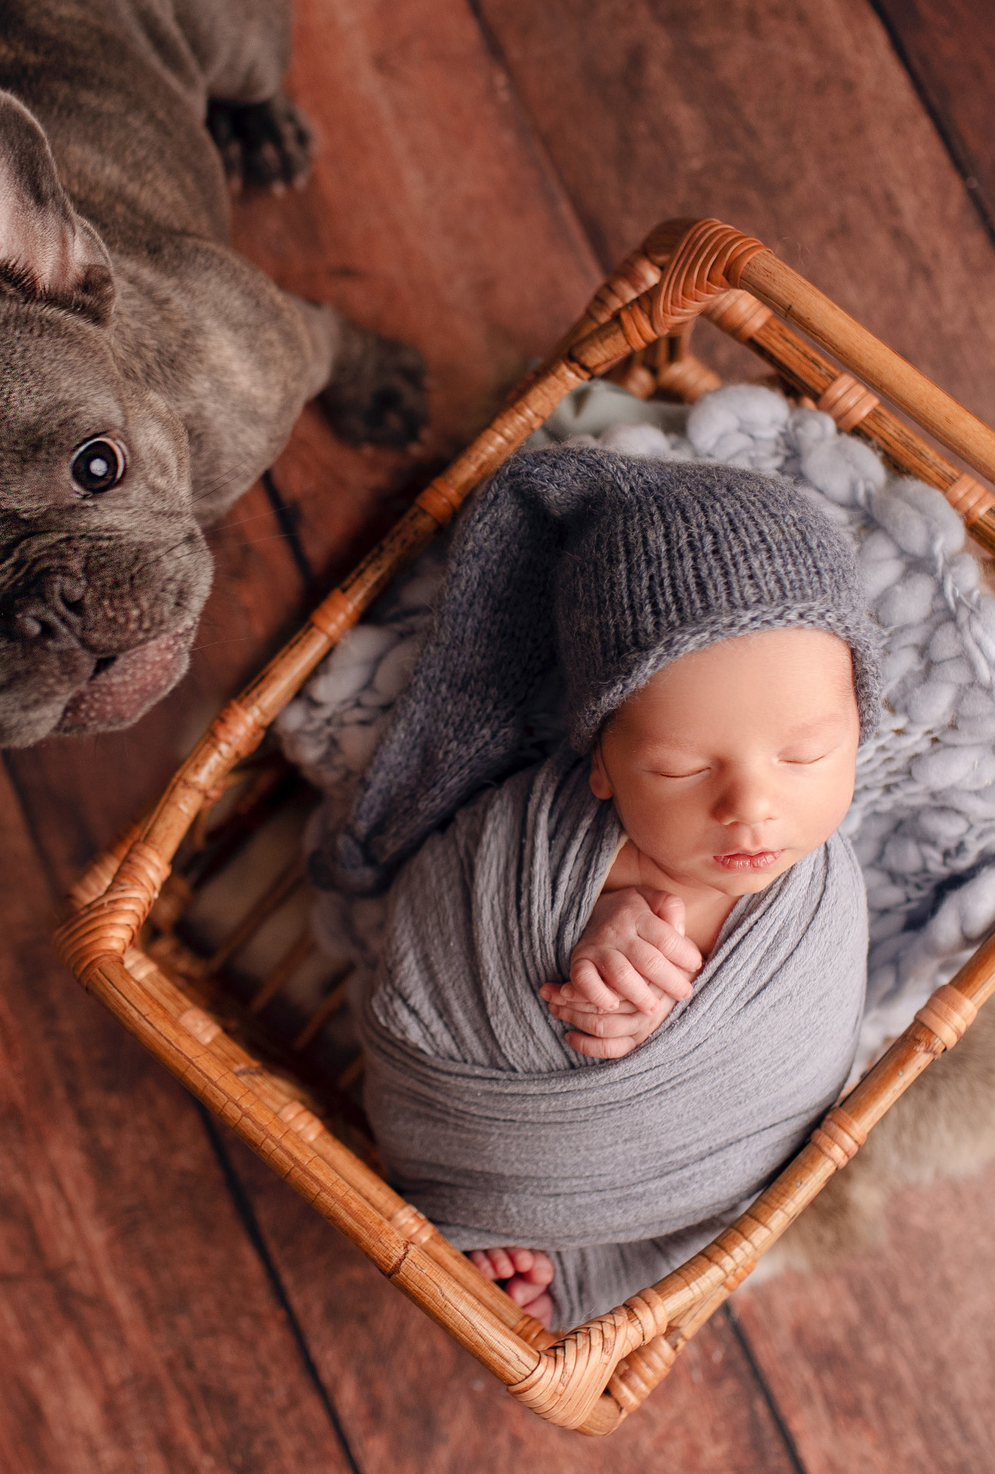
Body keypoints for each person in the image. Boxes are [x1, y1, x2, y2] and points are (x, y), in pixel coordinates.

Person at [315, 447, 878, 1328]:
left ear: (859, 727)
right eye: (684, 767)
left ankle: (576, 1260)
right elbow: (441, 909)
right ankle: (518, 1236)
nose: (752, 807)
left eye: (806, 754)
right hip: (475, 1118)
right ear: (603, 763)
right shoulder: (534, 832)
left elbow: (802, 1067)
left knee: (726, 1209)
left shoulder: (823, 899)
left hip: (703, 1169)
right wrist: (579, 926)